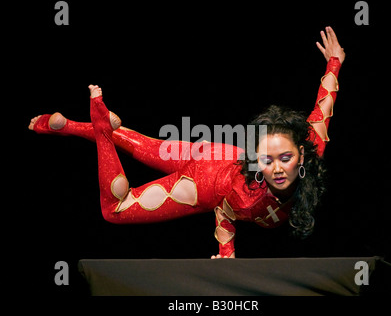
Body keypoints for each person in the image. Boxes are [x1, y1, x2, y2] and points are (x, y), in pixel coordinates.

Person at [29, 26, 345, 259]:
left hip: (217, 153)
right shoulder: (250, 199)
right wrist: (226, 251)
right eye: (267, 159)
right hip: (205, 184)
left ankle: (67, 126)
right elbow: (225, 210)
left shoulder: (312, 145)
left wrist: (334, 62)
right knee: (115, 209)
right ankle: (101, 130)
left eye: (285, 158)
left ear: (303, 155)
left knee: (141, 144)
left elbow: (324, 107)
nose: (276, 168)